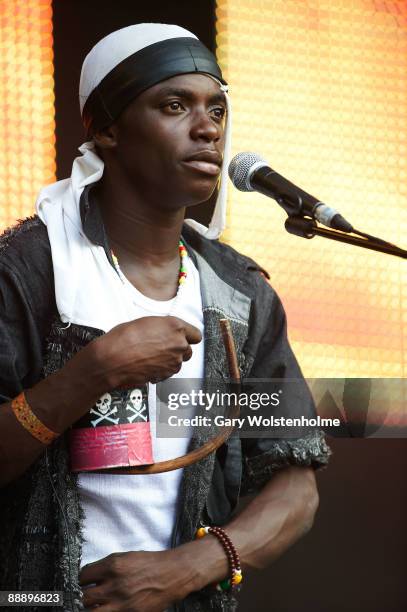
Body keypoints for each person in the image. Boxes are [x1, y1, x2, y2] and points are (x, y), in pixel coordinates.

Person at [0, 24, 330, 612]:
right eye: (174, 106)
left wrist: (193, 565)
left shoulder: (238, 292)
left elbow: (294, 479)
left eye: (217, 110)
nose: (207, 129)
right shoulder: (26, 271)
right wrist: (90, 372)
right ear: (105, 129)